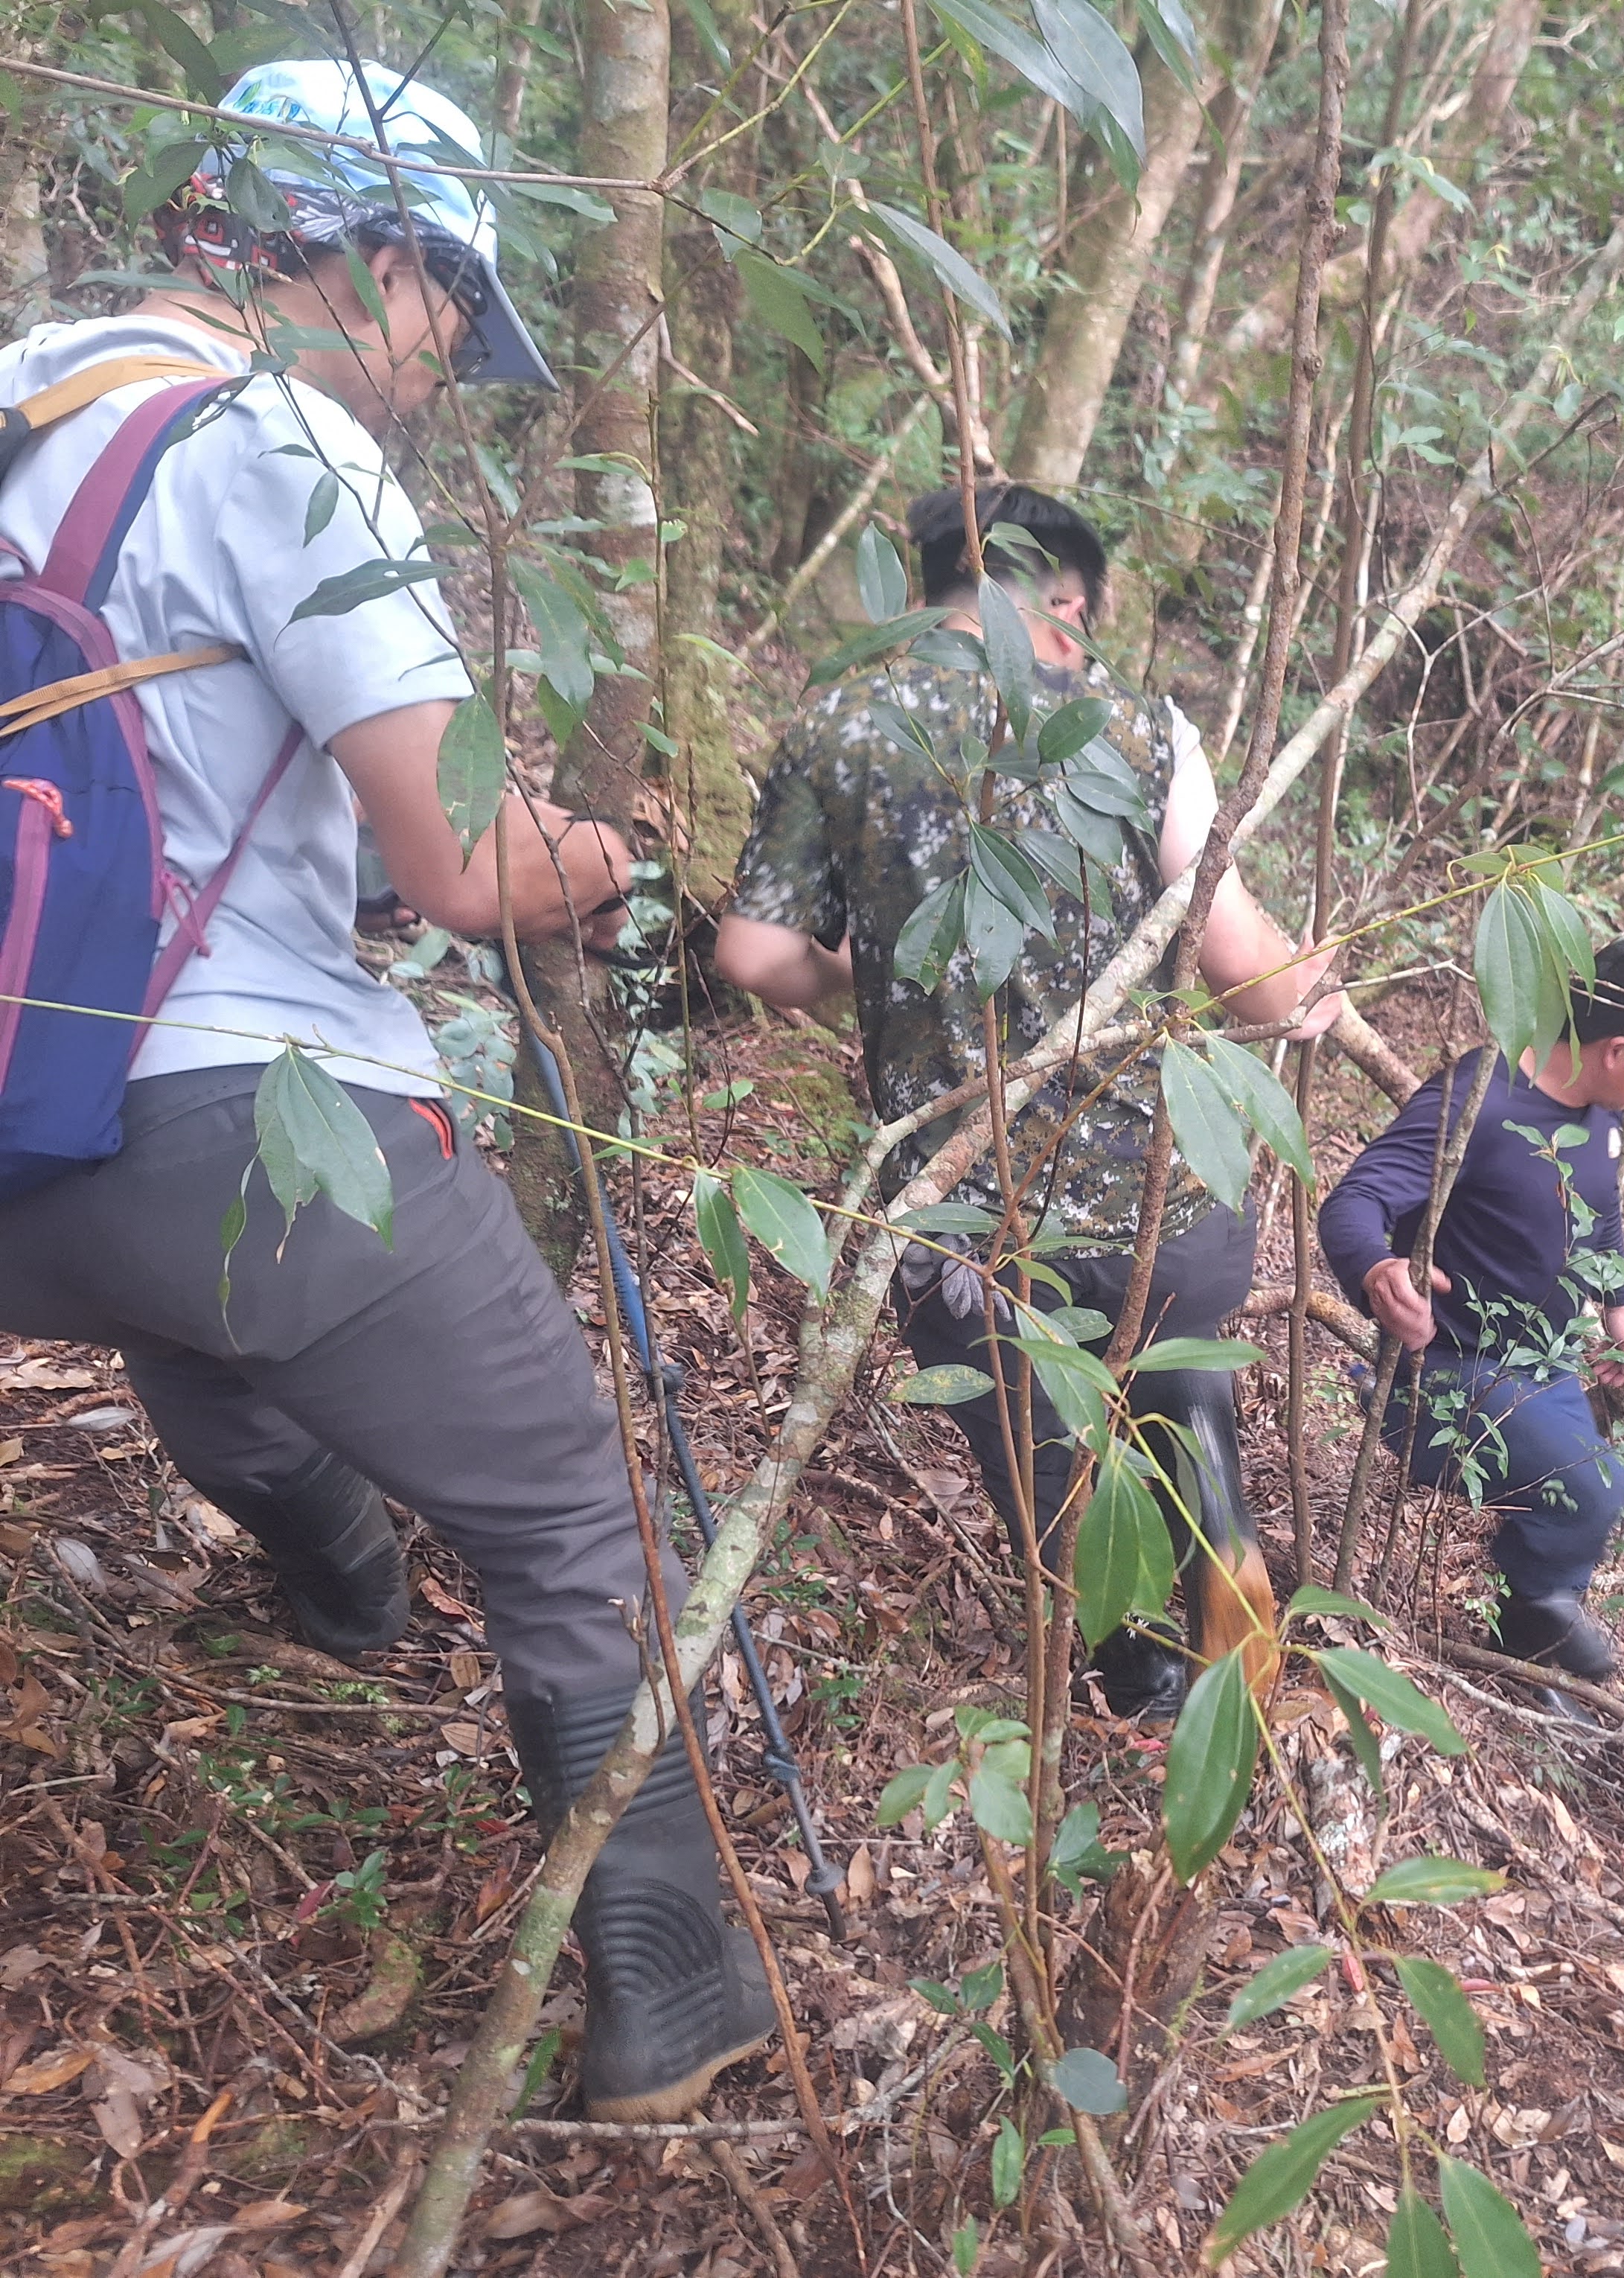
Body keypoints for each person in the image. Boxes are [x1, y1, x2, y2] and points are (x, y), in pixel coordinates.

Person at [0, 63, 784, 2122]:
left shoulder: (31, 408)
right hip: (237, 1110)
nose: (442, 364)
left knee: (215, 1327)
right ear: (355, 253)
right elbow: (462, 872)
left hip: (29, 1142)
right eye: (448, 303)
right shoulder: (281, 440)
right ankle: (679, 1982)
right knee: (571, 1517)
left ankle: (342, 1581)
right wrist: (606, 856)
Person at [713, 482, 1332, 1720]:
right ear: (1068, 600)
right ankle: (1223, 1553)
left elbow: (754, 955)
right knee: (1173, 1366)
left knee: (1040, 1445)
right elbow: (1238, 958)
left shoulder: (842, 723)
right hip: (1160, 1184)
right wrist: (1304, 989)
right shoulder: (1138, 728)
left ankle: (1138, 1675)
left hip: (968, 1218)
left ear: (931, 585)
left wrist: (859, 963)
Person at [1318, 937, 1624, 1683]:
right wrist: (1376, 1270)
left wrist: (1620, 1305)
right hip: (1443, 1372)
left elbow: (1600, 1209)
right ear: (1616, 1051)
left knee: (1604, 1491)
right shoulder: (1482, 1100)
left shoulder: (1601, 1119)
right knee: (1591, 1489)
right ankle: (1535, 1620)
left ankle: (1522, 1639)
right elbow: (1356, 1199)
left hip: (1540, 1363)